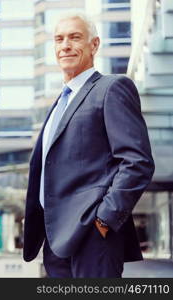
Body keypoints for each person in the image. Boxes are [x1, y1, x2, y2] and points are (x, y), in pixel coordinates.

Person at [23, 13, 155, 278]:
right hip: (55, 240)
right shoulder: (60, 103)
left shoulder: (112, 88)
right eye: (59, 39)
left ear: (94, 45)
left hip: (92, 237)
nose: (65, 45)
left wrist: (104, 220)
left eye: (75, 37)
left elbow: (137, 162)